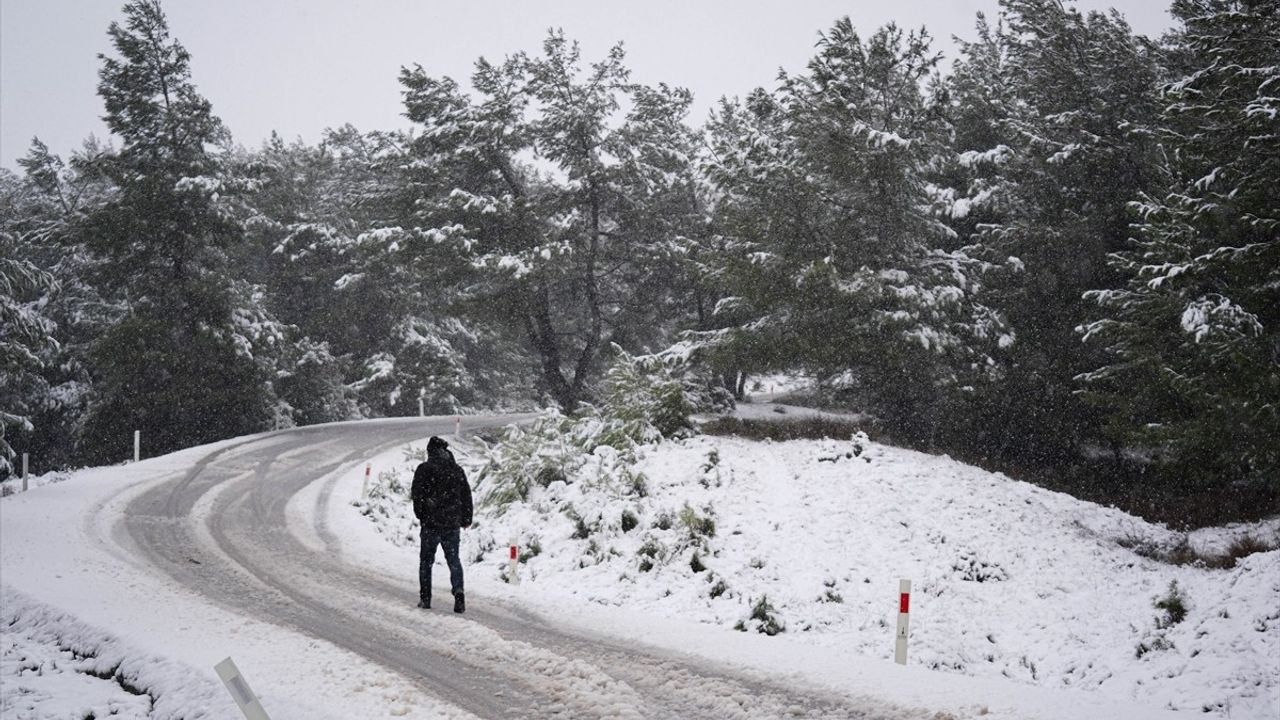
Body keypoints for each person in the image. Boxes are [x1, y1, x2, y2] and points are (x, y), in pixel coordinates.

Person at [411, 436, 473, 613]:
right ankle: (459, 591)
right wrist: (466, 519)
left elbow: (417, 495)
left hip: (431, 523)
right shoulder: (456, 470)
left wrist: (421, 514)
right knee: (454, 560)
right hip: (451, 524)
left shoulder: (424, 470)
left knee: (426, 562)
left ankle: (425, 598)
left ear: (430, 452)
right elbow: (466, 495)